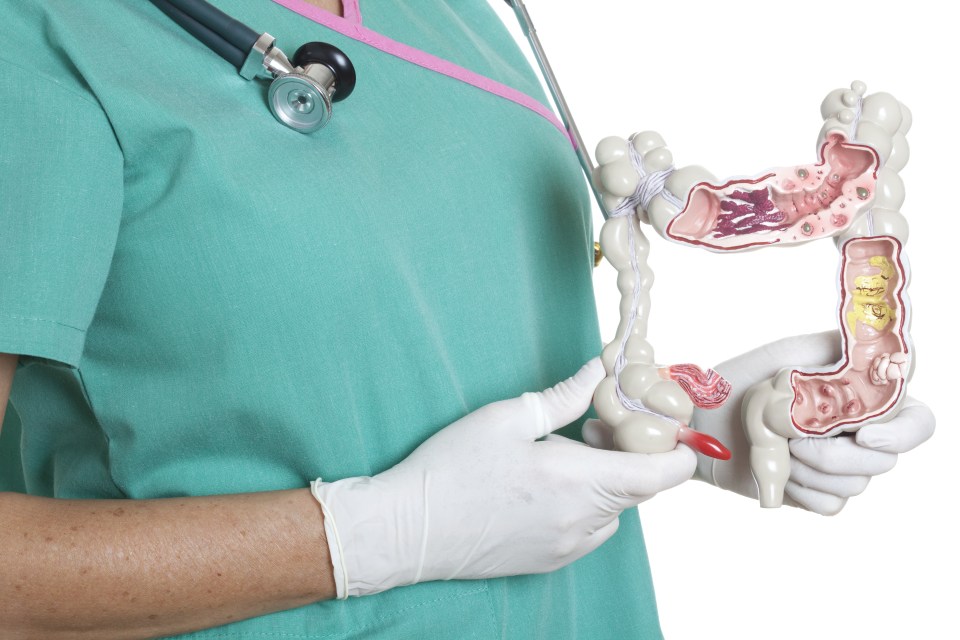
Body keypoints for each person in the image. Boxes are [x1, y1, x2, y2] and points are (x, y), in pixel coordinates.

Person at [0, 1, 934, 638]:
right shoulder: (43, 38)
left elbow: (437, 347)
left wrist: (673, 428)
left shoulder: (466, 20)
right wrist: (373, 535)